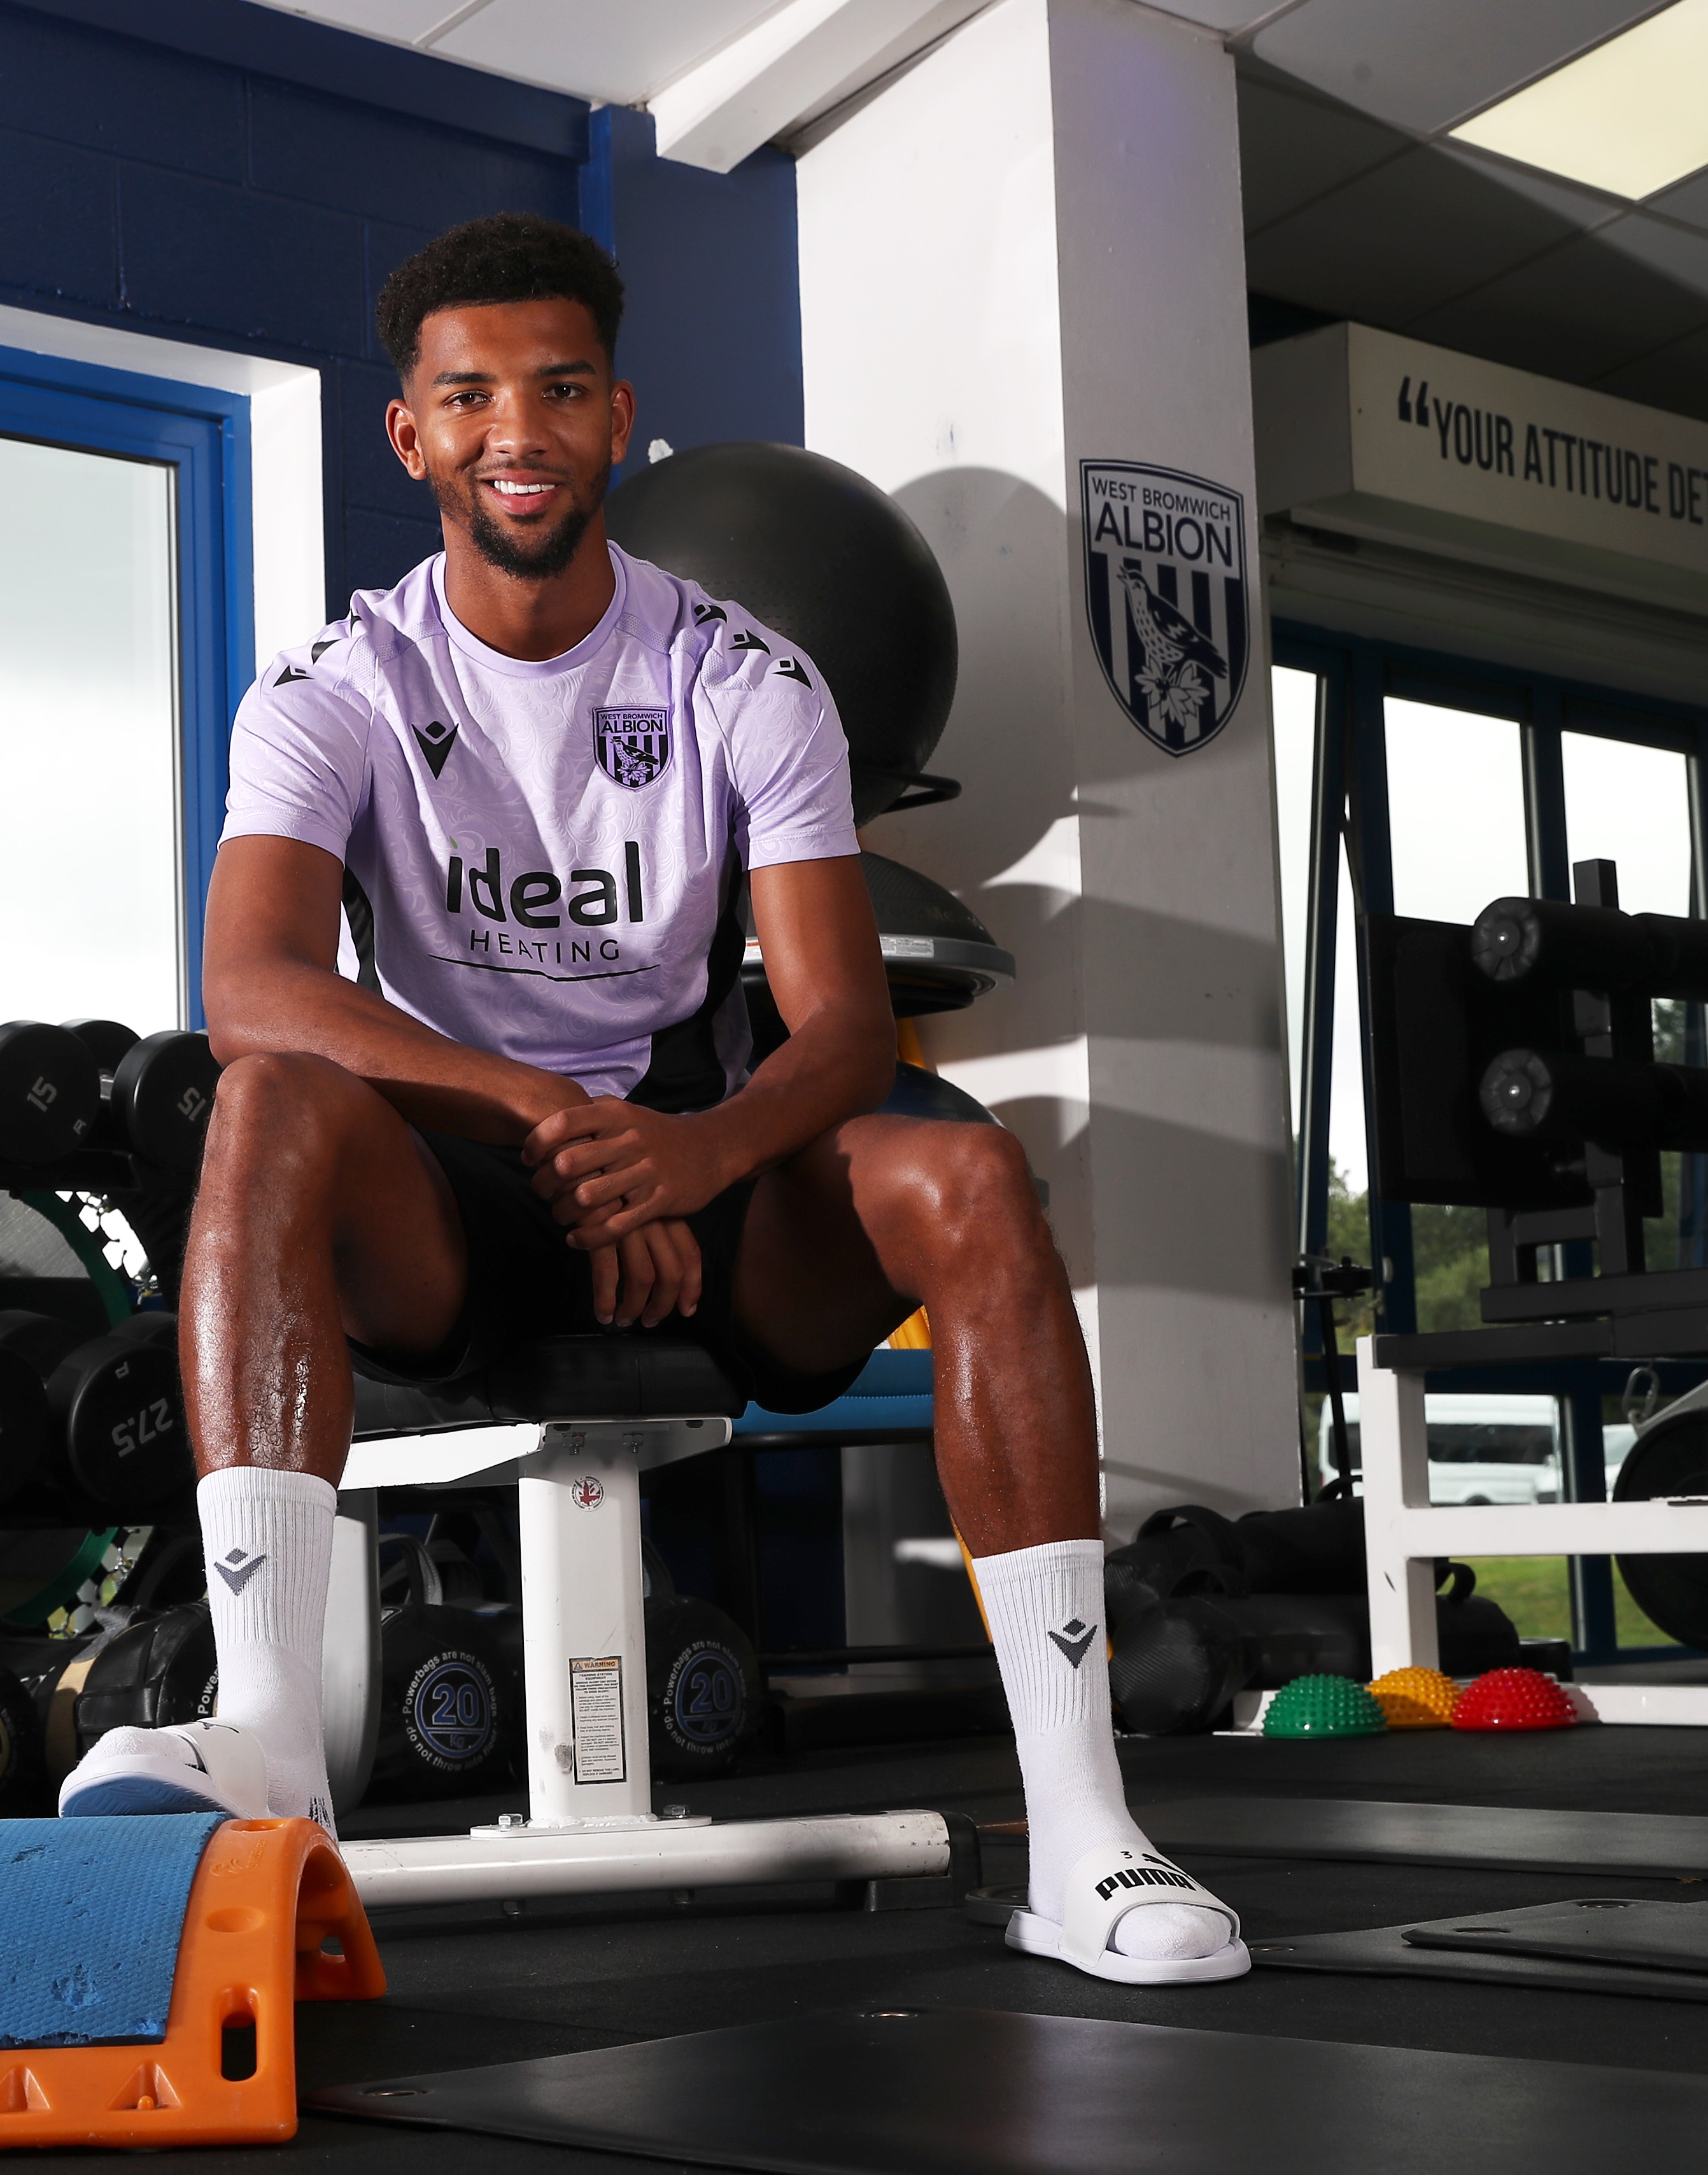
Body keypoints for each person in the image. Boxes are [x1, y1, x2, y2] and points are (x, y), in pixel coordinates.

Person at [60, 213, 1242, 1985]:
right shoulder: (337, 691)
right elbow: (256, 989)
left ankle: (1085, 1836)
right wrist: (544, 1112)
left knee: (972, 1176)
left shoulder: (746, 681)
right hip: (455, 1207)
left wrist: (691, 1153)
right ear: (413, 436)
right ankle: (272, 1745)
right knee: (264, 1107)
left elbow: (841, 1030)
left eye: (554, 390)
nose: (513, 430)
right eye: (468, 396)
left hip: (710, 1194)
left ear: (621, 418)